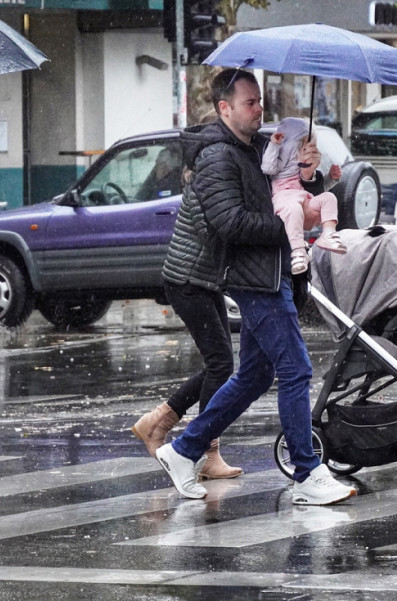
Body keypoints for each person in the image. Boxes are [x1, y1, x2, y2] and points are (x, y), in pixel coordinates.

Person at [154, 69, 357, 506]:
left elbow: (290, 192)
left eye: (260, 101)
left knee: (253, 375)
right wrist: (292, 228)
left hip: (273, 271)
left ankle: (184, 449)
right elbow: (229, 223)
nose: (259, 109)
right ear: (224, 108)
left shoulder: (256, 148)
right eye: (250, 103)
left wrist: (309, 172)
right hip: (254, 278)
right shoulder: (217, 157)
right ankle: (306, 473)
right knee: (296, 369)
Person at [131, 124, 240, 481]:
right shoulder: (205, 184)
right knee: (221, 363)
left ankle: (159, 421)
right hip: (187, 281)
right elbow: (219, 230)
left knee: (219, 364)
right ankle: (205, 450)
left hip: (201, 280)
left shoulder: (206, 178)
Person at [261, 117, 347, 274]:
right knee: (293, 210)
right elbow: (268, 167)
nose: (307, 148)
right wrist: (274, 145)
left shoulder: (305, 161)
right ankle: (298, 250)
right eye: (303, 142)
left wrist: (330, 179)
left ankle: (328, 233)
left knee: (329, 198)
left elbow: (316, 188)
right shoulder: (283, 154)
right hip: (285, 198)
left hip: (303, 197)